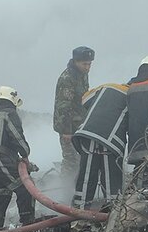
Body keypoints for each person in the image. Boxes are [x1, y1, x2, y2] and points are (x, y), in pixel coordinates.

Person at [0, 86, 35, 229]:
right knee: (26, 186)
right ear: (12, 99)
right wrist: (25, 152)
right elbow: (17, 137)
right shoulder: (9, 114)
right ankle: (28, 225)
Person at [72, 81, 128, 210]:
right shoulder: (133, 95)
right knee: (111, 179)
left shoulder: (107, 87)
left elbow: (85, 100)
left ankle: (78, 212)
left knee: (86, 177)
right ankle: (113, 212)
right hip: (110, 142)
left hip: (87, 135)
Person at [53, 46, 93, 178]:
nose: (87, 67)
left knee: (82, 158)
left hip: (79, 124)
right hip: (68, 125)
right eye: (84, 64)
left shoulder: (82, 75)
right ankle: (64, 188)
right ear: (75, 62)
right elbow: (63, 106)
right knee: (70, 161)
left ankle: (77, 187)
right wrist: (66, 131)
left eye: (89, 64)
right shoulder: (67, 78)